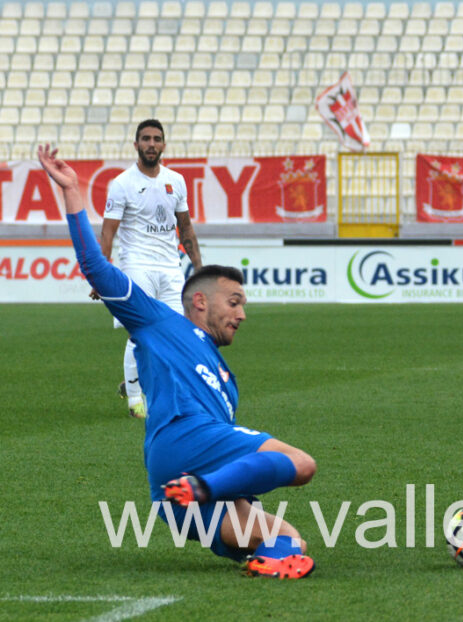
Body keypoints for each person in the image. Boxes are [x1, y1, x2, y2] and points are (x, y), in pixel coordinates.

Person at [38, 144, 316, 579]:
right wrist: (72, 191)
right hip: (188, 446)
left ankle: (215, 511)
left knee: (291, 543)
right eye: (235, 302)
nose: (243, 314)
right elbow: (94, 264)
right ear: (200, 302)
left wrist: (235, 497)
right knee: (302, 464)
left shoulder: (227, 380)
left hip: (171, 489)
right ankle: (202, 488)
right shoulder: (158, 320)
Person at [95, 119, 202, 419]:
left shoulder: (176, 181)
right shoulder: (122, 184)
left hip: (170, 268)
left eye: (156, 139)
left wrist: (201, 270)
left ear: (164, 144)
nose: (151, 144)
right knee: (142, 332)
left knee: (172, 335)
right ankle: (134, 400)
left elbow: (186, 228)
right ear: (136, 145)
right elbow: (108, 233)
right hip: (136, 266)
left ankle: (142, 382)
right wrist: (100, 275)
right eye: (145, 139)